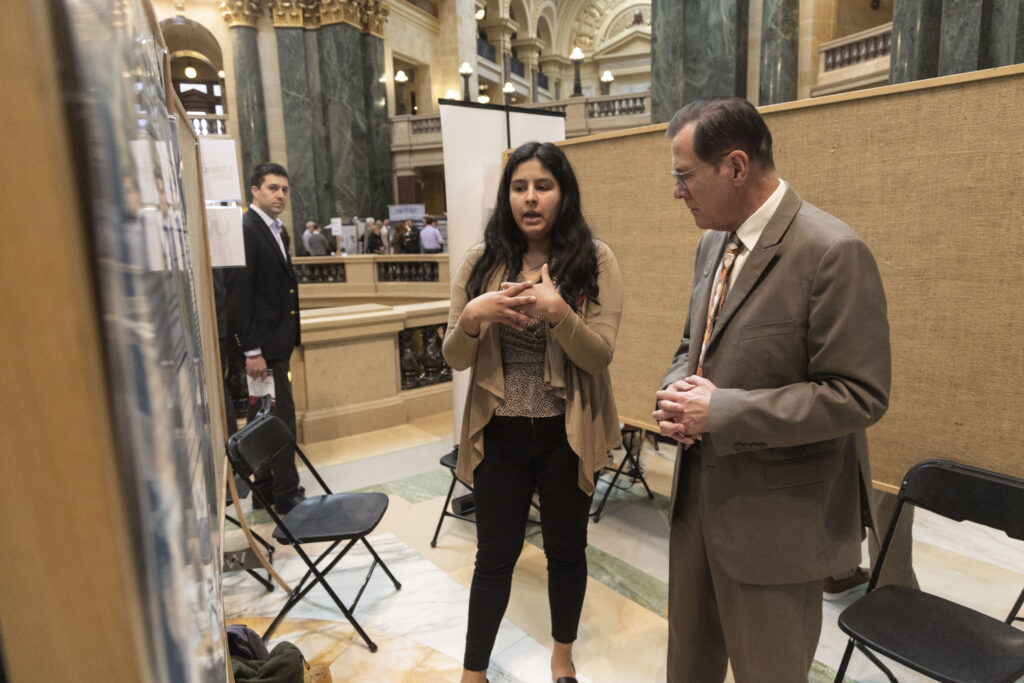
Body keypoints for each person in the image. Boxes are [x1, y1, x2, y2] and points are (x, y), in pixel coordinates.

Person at [652, 97, 891, 682]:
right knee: (688, 668)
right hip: (697, 507)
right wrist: (676, 389)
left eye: (684, 177)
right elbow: (693, 344)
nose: (677, 192)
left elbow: (859, 394)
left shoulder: (831, 252)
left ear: (735, 166)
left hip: (778, 526)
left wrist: (723, 411)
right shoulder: (713, 242)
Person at [443, 141, 623, 683]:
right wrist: (474, 317)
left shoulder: (595, 260)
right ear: (507, 196)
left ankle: (562, 658)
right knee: (494, 558)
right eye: (519, 187)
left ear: (563, 194)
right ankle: (474, 672)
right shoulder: (480, 262)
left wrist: (559, 311)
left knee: (566, 552)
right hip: (498, 431)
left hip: (565, 433)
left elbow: (599, 355)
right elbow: (454, 357)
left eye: (543, 185)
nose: (530, 198)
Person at [230, 162, 305, 515]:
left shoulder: (273, 229)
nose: (280, 195)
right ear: (254, 191)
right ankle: (286, 494)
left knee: (265, 415)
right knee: (279, 418)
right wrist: (253, 350)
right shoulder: (248, 228)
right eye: (273, 188)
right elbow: (240, 294)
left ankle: (264, 489)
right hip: (265, 349)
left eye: (285, 189)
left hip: (275, 343)